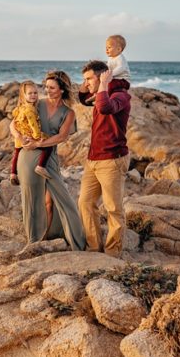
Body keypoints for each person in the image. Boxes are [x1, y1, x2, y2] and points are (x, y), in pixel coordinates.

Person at [10, 70, 87, 250]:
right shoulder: (38, 104)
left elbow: (61, 137)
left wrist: (38, 143)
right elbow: (13, 123)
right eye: (46, 87)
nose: (48, 90)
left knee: (59, 199)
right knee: (32, 200)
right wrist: (20, 138)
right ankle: (35, 240)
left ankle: (73, 239)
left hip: (48, 158)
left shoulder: (68, 113)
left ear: (61, 90)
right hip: (27, 157)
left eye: (52, 88)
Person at [77, 59, 131, 256]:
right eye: (85, 79)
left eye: (89, 78)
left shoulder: (121, 95)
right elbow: (83, 99)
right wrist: (91, 84)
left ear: (103, 77)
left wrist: (103, 85)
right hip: (93, 160)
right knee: (85, 202)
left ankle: (112, 254)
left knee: (113, 209)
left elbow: (105, 108)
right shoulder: (100, 92)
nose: (87, 83)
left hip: (112, 159)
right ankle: (93, 248)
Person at [9, 80, 54, 185]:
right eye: (30, 93)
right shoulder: (30, 109)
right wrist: (38, 137)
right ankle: (41, 166)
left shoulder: (19, 108)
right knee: (49, 146)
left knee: (16, 153)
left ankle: (13, 173)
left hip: (20, 138)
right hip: (29, 137)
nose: (33, 95)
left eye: (35, 93)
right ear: (23, 95)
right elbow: (33, 126)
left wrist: (18, 135)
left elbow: (15, 120)